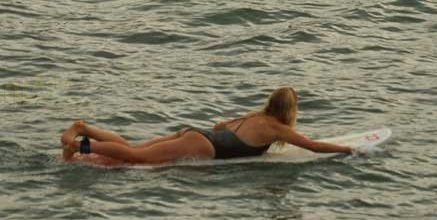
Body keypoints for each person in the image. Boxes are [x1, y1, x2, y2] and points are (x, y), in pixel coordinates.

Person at [59, 87, 354, 165]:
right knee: (134, 157)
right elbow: (313, 146)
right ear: (290, 111)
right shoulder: (278, 129)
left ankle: (84, 128)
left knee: (133, 150)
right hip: (200, 144)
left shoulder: (255, 116)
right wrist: (347, 149)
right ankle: (77, 143)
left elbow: (220, 124)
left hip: (197, 135)